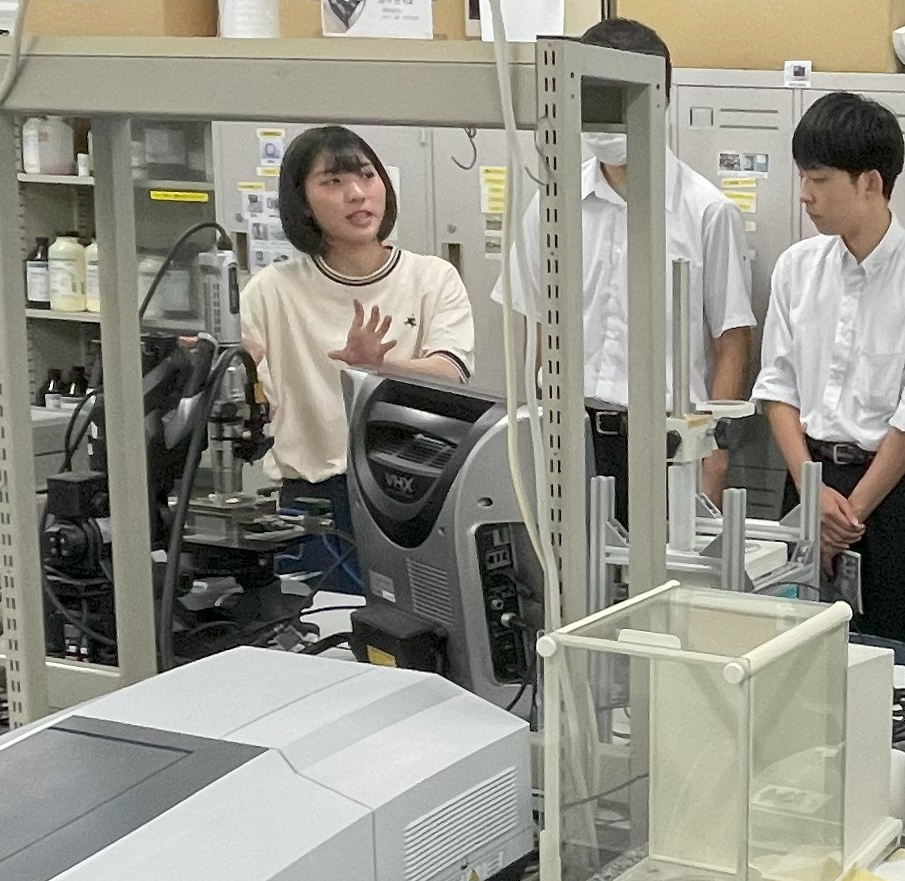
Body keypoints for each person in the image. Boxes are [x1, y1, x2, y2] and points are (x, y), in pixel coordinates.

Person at [494, 17, 754, 516]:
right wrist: (529, 432)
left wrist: (714, 454)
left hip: (667, 441)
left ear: (660, 98)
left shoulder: (706, 210)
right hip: (568, 435)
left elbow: (731, 340)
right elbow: (534, 329)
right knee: (566, 564)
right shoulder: (552, 202)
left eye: (619, 100)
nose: (605, 119)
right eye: (594, 100)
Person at [754, 91, 905, 651]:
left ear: (870, 183)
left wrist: (845, 520)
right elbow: (777, 387)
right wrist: (812, 494)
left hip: (892, 498)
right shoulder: (796, 268)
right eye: (802, 176)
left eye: (819, 179)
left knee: (887, 659)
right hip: (808, 482)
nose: (804, 194)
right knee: (787, 652)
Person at [241, 125, 474, 590]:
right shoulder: (272, 290)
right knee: (316, 623)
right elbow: (245, 384)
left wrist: (380, 368)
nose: (356, 194)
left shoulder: (432, 278)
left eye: (367, 176)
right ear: (302, 203)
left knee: (414, 624)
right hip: (313, 502)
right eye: (332, 181)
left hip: (412, 493)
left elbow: (451, 373)